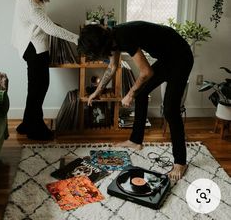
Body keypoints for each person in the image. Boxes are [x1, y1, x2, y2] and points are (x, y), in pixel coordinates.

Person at [77, 21, 194, 181]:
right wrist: (97, 91)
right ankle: (135, 140)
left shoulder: (124, 36)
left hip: (181, 57)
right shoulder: (112, 39)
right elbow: (112, 67)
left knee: (170, 110)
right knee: (141, 93)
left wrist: (130, 94)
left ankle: (180, 162)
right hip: (167, 58)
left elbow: (146, 71)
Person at [11, 0, 79, 141]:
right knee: (39, 89)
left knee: (35, 88)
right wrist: (76, 39)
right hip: (34, 49)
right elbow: (48, 27)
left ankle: (26, 123)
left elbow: (42, 23)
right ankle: (35, 129)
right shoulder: (29, 2)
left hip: (32, 47)